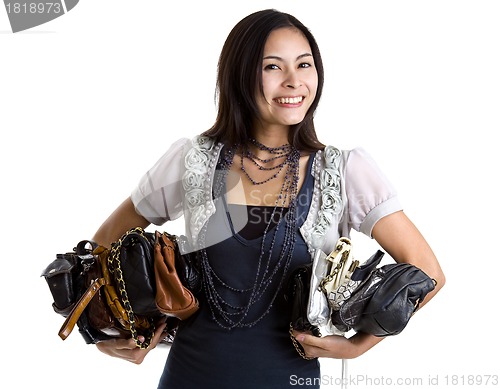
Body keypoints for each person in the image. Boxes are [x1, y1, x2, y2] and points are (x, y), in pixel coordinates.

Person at [92, 8, 445, 389]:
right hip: (188, 378)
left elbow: (427, 273)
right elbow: (99, 247)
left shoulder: (344, 171)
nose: (295, 82)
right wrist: (108, 336)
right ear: (240, 75)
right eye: (273, 67)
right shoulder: (192, 161)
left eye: (304, 65)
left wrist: (357, 346)